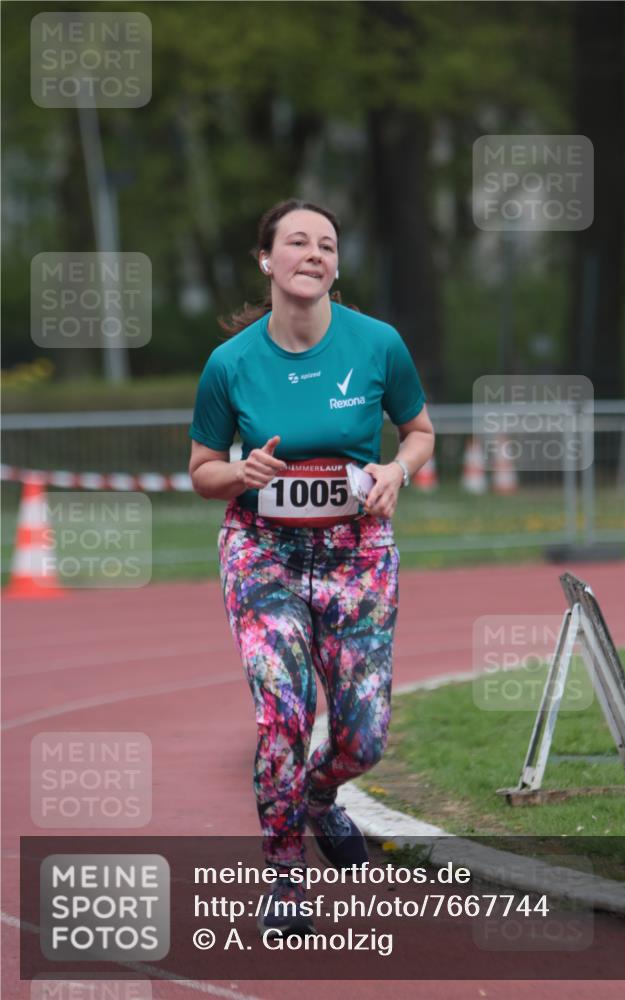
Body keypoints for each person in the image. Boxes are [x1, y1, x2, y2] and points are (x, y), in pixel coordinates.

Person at [189, 198, 435, 936]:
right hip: (262, 551)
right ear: (266, 260)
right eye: (297, 242)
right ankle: (285, 874)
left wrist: (396, 470)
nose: (313, 254)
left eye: (326, 244)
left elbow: (420, 431)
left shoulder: (377, 344)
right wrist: (240, 473)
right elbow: (201, 469)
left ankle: (321, 798)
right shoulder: (229, 365)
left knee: (363, 736)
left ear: (334, 265)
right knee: (281, 716)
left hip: (356, 554)